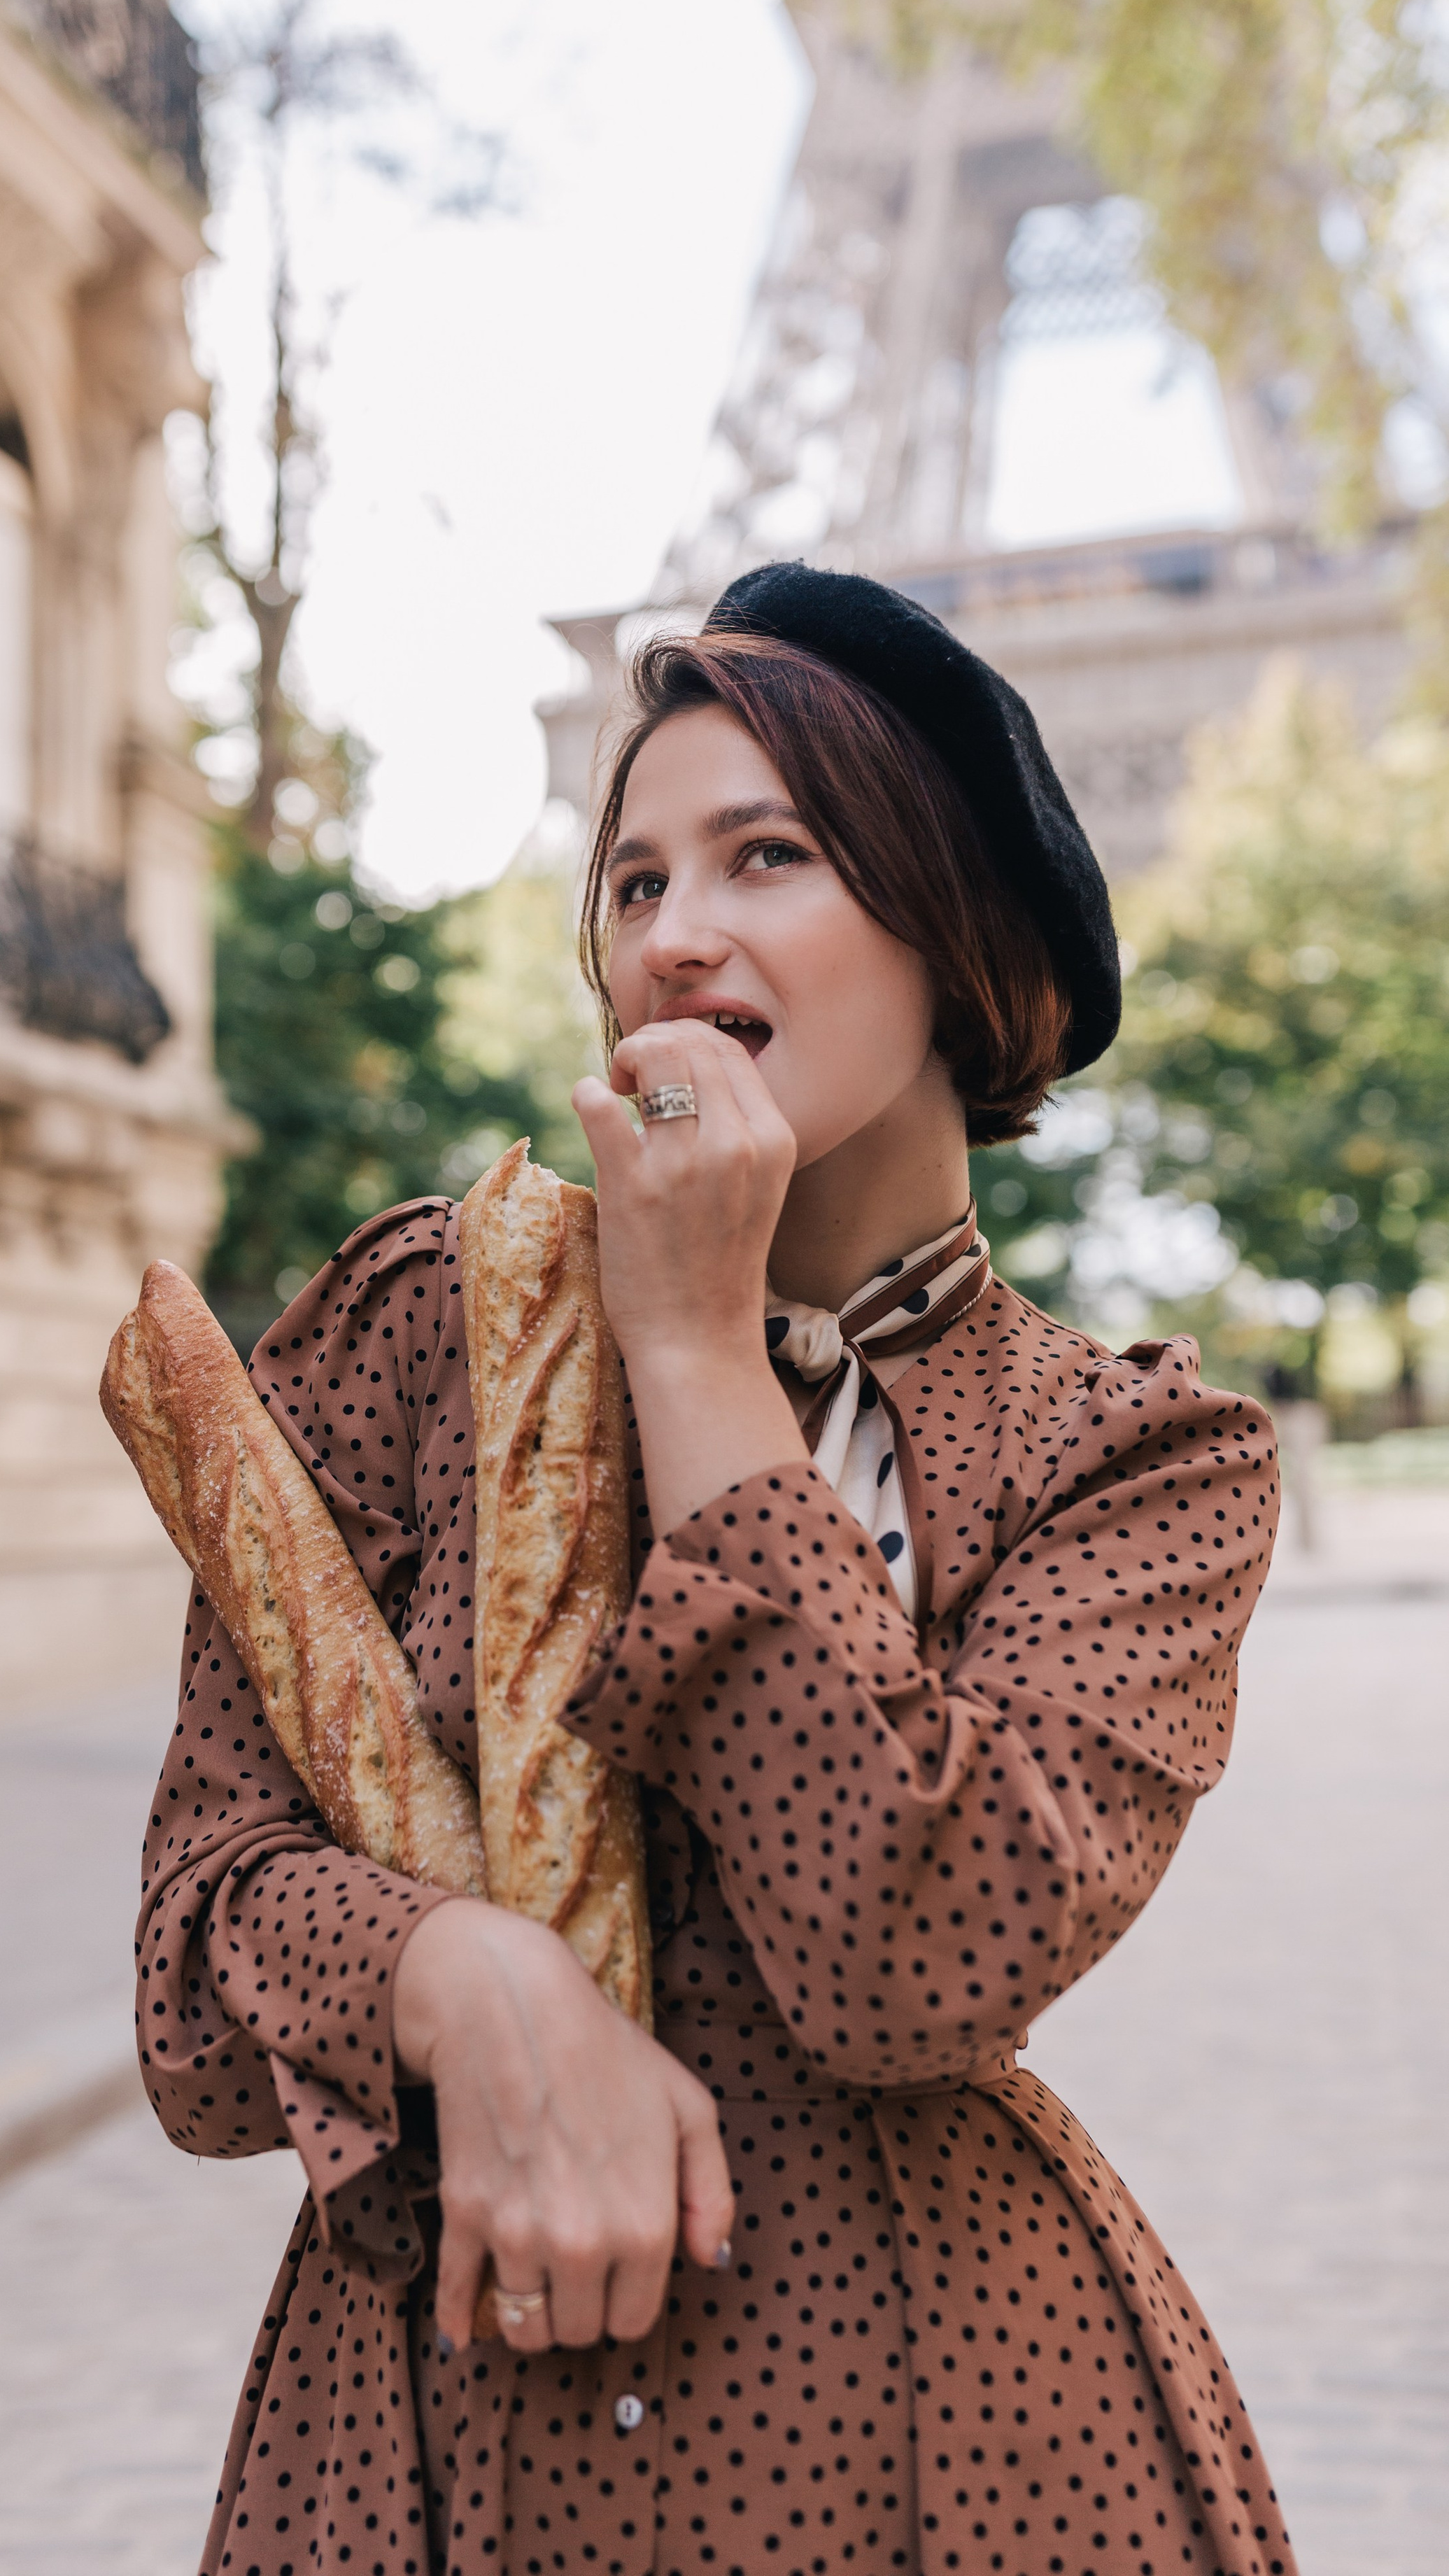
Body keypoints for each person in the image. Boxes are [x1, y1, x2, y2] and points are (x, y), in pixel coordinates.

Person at [137, 563, 1292, 2576]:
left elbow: (912, 1958)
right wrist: (458, 1978)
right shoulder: (423, 1327)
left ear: (959, 933)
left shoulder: (1136, 1461)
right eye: (634, 881)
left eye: (769, 856)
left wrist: (690, 1349)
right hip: (429, 2446)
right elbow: (194, 1988)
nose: (674, 936)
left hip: (950, 2445)